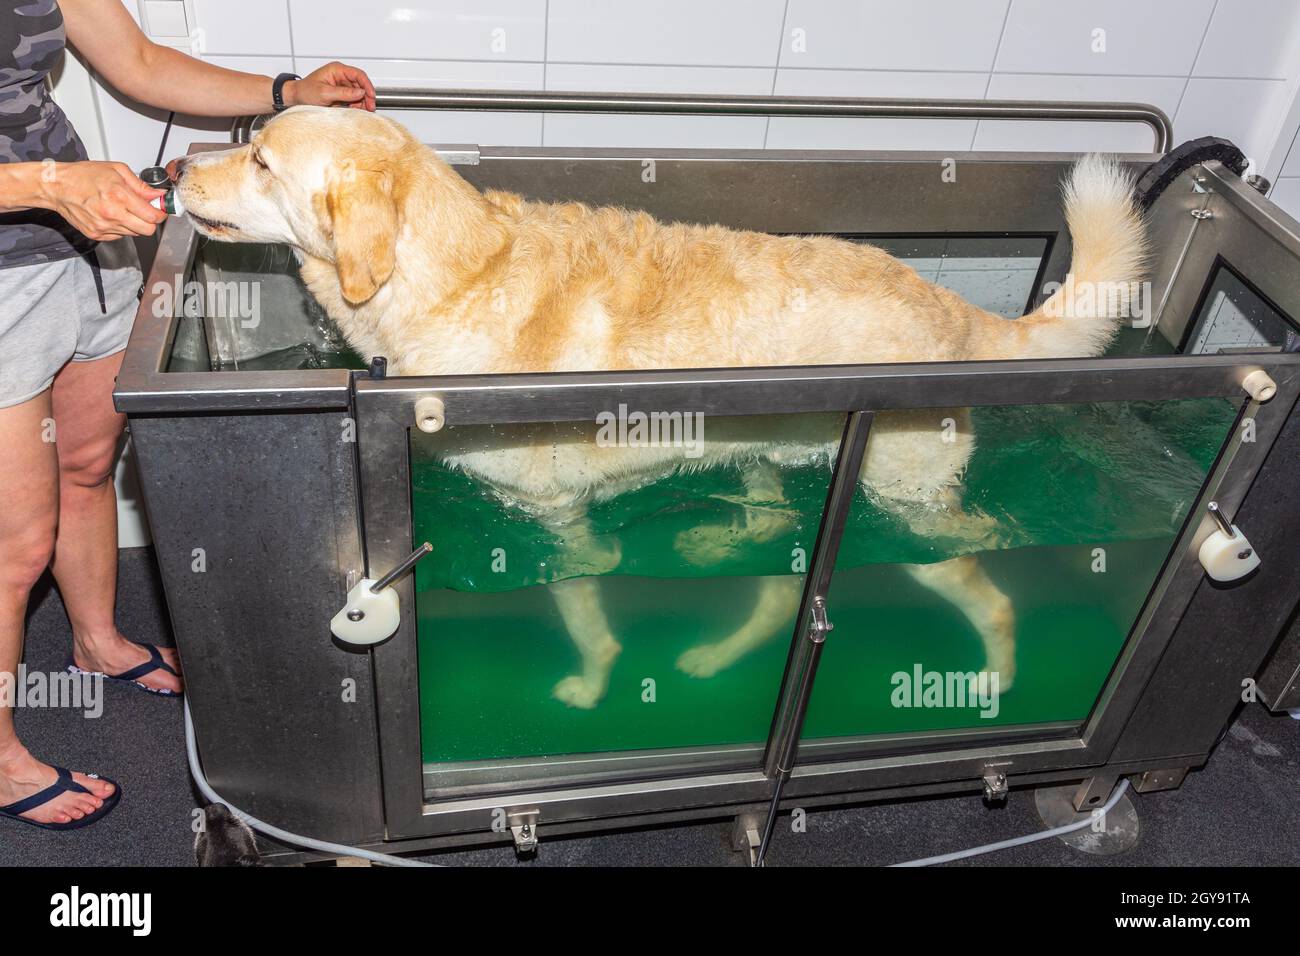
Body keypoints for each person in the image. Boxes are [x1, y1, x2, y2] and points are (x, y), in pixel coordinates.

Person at [0, 0, 375, 829]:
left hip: (84, 242)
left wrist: (287, 90)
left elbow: (136, 57)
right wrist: (47, 183)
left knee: (89, 466)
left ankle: (96, 640)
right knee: (14, 543)